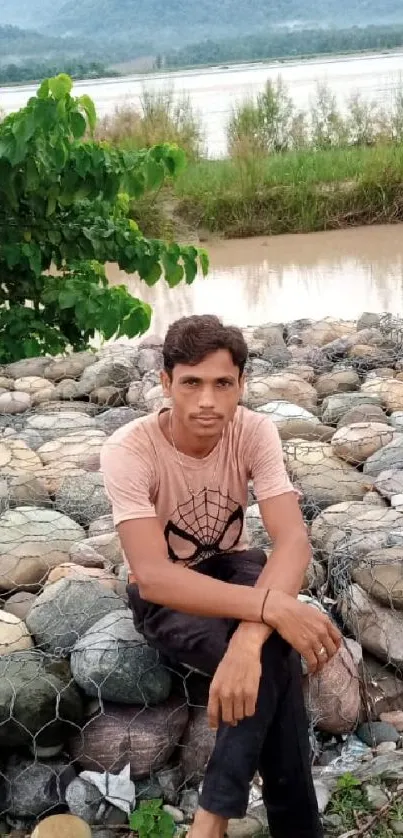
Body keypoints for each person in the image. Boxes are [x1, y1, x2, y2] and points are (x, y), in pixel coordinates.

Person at [100, 314, 341, 838]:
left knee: (266, 646)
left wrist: (249, 637)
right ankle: (263, 825)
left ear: (240, 387)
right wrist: (272, 610)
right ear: (166, 384)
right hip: (170, 593)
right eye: (191, 383)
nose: (207, 400)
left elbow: (293, 541)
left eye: (222, 384)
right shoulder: (129, 449)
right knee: (282, 651)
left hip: (235, 569)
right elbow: (152, 575)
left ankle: (209, 822)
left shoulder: (254, 430)